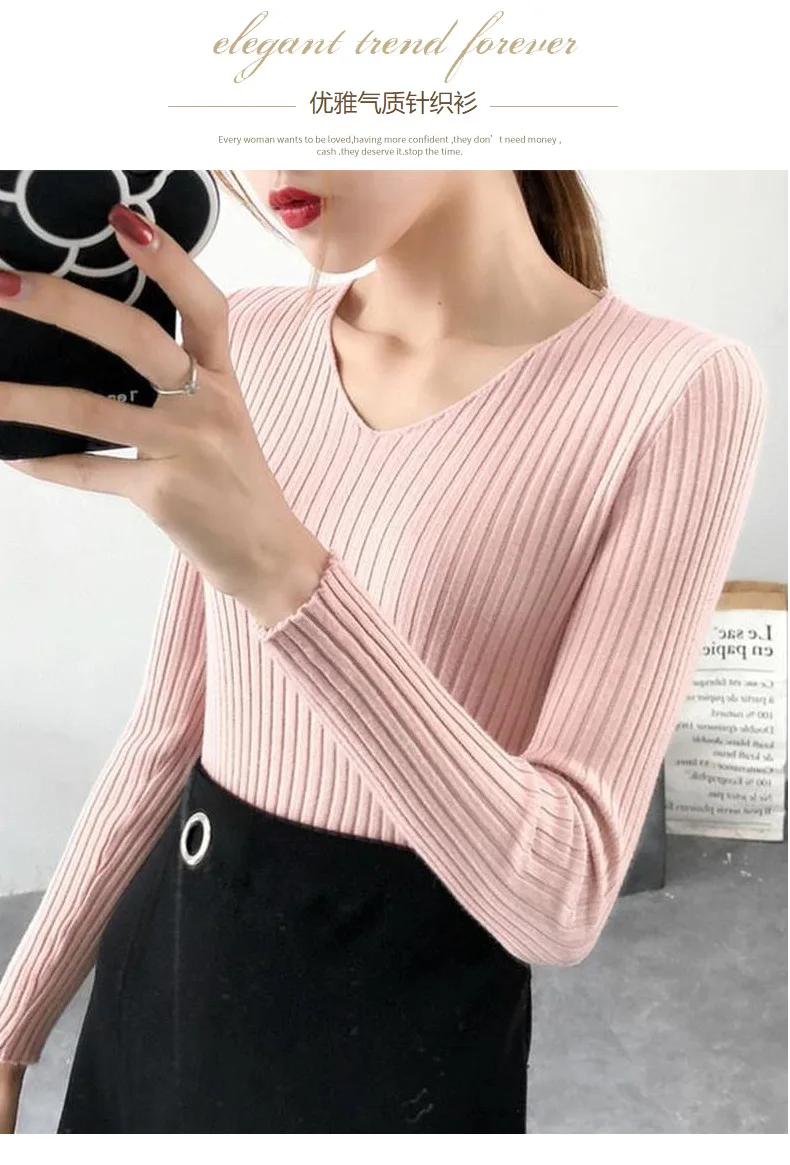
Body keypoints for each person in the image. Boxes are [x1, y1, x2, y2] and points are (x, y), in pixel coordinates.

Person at [0, 170, 767, 1133]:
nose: (280, 157)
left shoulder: (676, 388)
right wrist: (13, 1020)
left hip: (399, 1044)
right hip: (168, 979)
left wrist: (284, 574)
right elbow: (167, 731)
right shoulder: (253, 336)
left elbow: (562, 896)